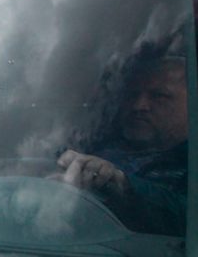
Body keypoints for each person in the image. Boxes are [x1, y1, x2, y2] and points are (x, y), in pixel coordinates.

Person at [56, 57, 188, 235]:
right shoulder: (90, 143)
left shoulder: (188, 165)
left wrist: (121, 185)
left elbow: (189, 218)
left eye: (159, 96)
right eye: (132, 95)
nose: (138, 105)